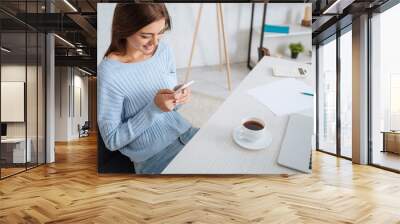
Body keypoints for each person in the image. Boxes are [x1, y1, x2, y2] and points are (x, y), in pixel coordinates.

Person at [97, 3, 198, 174]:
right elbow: (112, 140)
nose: (155, 42)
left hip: (186, 133)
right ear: (124, 29)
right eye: (146, 36)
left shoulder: (163, 50)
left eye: (160, 33)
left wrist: (178, 96)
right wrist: (154, 108)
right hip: (154, 157)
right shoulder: (109, 73)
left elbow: (171, 105)